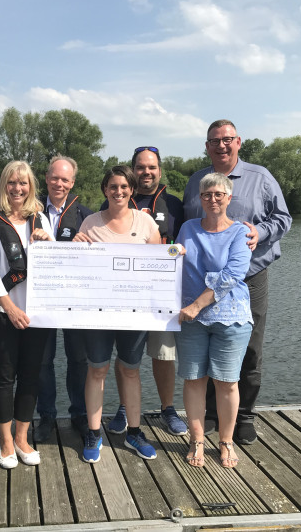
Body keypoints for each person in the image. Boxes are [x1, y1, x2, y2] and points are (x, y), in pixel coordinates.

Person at [183, 119, 292, 445]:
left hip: (248, 278)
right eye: (215, 141)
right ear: (207, 146)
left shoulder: (260, 177)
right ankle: (213, 415)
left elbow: (283, 218)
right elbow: (188, 227)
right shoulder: (195, 181)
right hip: (200, 284)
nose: (221, 145)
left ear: (238, 142)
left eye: (227, 139)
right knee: (202, 351)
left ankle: (244, 415)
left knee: (249, 348)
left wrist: (262, 232)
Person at [73, 165, 161, 463]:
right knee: (97, 370)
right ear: (105, 190)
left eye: (124, 186)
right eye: (113, 186)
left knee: (130, 370)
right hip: (97, 313)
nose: (119, 191)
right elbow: (77, 270)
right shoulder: (90, 222)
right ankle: (94, 432)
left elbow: (159, 269)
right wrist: (73, 248)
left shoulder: (146, 222)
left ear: (132, 189)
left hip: (135, 315)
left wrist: (174, 257)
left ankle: (134, 432)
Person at [105, 146, 187, 437]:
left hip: (162, 295)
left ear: (159, 170)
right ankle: (125, 408)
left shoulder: (174, 203)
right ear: (132, 170)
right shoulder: (117, 199)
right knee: (127, 356)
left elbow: (185, 239)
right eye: (140, 167)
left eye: (151, 167)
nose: (146, 172)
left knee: (164, 354)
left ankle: (167, 408)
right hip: (125, 297)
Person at [0, 160, 53, 469]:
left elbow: (55, 268)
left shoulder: (41, 220)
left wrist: (50, 244)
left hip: (36, 315)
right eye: (11, 182)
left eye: (23, 183)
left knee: (31, 376)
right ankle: (6, 441)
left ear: (31, 186)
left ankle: (23, 437)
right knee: (4, 377)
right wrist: (10, 308)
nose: (17, 188)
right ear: (3, 185)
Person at [176, 173, 253, 468]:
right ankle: (196, 439)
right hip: (190, 319)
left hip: (230, 319)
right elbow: (175, 263)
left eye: (219, 194)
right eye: (207, 194)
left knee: (227, 383)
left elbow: (231, 276)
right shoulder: (187, 228)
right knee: (194, 380)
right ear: (200, 198)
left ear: (229, 198)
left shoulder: (240, 233)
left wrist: (196, 305)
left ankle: (226, 441)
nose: (212, 199)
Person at [34, 155, 93, 443]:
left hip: (76, 302)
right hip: (41, 300)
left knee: (78, 361)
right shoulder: (29, 212)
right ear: (46, 178)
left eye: (65, 179)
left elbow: (100, 260)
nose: (59, 183)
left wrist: (88, 245)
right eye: (54, 177)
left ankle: (79, 414)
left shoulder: (87, 216)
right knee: (42, 362)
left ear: (73, 183)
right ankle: (46, 415)